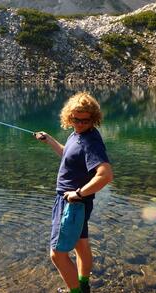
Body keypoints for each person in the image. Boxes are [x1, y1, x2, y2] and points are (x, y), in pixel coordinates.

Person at [35, 92, 113, 293]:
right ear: (69, 117)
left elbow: (105, 175)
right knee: (81, 245)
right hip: (80, 203)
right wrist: (50, 140)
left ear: (93, 118)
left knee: (57, 255)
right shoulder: (78, 135)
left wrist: (78, 194)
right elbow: (68, 154)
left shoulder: (90, 142)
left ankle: (76, 291)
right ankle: (83, 285)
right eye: (75, 119)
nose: (79, 123)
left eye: (85, 120)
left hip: (71, 203)